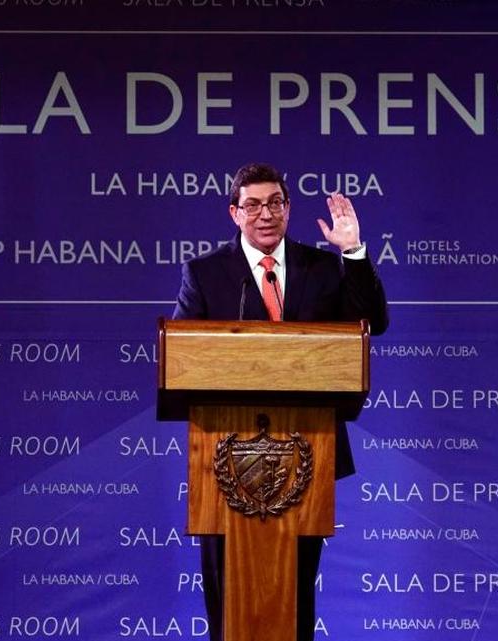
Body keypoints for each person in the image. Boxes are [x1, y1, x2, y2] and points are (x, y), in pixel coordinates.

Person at [172, 162, 389, 641]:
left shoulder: (323, 267)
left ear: (288, 209)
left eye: (275, 203)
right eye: (252, 205)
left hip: (305, 457)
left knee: (295, 594)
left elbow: (371, 322)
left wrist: (352, 250)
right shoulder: (206, 274)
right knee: (226, 594)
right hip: (223, 465)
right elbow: (182, 354)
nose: (265, 214)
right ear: (235, 213)